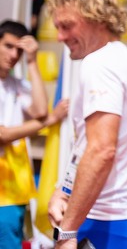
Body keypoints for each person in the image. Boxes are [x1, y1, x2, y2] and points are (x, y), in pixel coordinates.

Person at [46, 0, 127, 249]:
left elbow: (101, 150)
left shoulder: (99, 63)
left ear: (96, 19)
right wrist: (63, 189)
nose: (59, 37)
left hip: (114, 223)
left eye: (67, 26)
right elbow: (86, 146)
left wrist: (67, 232)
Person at [0, 20, 68, 248]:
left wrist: (32, 61)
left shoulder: (15, 84)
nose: (13, 54)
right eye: (8, 46)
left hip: (13, 190)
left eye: (18, 50)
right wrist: (51, 120)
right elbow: (3, 134)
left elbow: (39, 109)